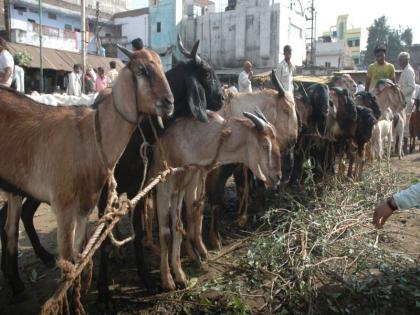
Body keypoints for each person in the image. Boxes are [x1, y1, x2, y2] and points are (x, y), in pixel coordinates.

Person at [398, 52, 416, 153]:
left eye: (400, 60)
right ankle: (402, 146)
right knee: (403, 124)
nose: (399, 62)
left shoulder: (408, 71)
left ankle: (405, 146)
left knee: (406, 124)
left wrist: (400, 92)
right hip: (403, 100)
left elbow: (412, 87)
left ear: (404, 60)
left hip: (407, 100)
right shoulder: (405, 70)